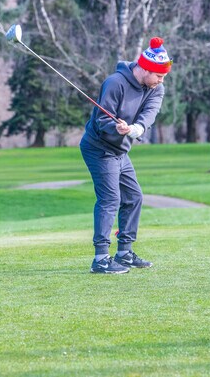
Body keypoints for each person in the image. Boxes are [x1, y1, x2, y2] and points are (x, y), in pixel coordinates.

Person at [80, 37, 172, 274]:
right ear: (145, 69)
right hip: (99, 148)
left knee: (134, 197)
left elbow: (150, 113)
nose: (162, 81)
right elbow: (102, 121)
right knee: (110, 200)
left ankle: (124, 253)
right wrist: (116, 127)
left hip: (120, 150)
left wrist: (135, 129)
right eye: (159, 76)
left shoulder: (156, 88)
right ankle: (100, 258)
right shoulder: (115, 83)